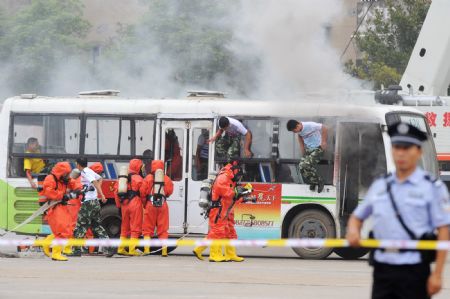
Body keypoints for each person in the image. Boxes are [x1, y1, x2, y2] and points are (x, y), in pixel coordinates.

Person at [346, 122, 450, 299]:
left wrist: (437, 274)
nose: (400, 153)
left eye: (407, 148)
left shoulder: (431, 187)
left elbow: (443, 230)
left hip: (415, 271)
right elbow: (357, 216)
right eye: (396, 147)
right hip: (382, 270)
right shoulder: (380, 186)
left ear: (419, 152)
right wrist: (353, 231)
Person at [193, 162, 247, 262]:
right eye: (239, 176)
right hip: (218, 210)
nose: (239, 179)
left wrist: (243, 195)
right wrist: (238, 193)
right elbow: (227, 193)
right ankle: (213, 255)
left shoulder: (231, 179)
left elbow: (233, 197)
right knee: (217, 232)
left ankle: (230, 254)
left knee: (230, 233)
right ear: (235, 172)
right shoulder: (223, 178)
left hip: (226, 210)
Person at [69, 159, 112, 257]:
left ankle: (76, 250)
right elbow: (100, 178)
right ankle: (110, 247)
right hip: (95, 202)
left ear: (78, 164)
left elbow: (95, 182)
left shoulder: (84, 172)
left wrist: (102, 194)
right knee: (96, 226)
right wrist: (96, 193)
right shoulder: (90, 170)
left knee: (80, 226)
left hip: (88, 203)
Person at [42, 162, 81, 261]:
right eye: (66, 173)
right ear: (61, 172)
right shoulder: (50, 179)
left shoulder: (63, 179)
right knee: (62, 230)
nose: (68, 176)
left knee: (67, 229)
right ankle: (56, 253)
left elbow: (73, 183)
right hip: (54, 207)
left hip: (62, 206)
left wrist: (80, 189)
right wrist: (64, 196)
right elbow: (49, 192)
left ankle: (47, 242)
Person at [140, 160, 174, 256]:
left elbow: (142, 192)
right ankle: (164, 251)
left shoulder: (148, 178)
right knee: (163, 229)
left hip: (150, 204)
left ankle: (146, 250)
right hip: (163, 205)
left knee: (147, 229)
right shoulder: (166, 178)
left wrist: (144, 204)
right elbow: (169, 191)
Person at [286, 119, 328, 193]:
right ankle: (314, 181)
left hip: (318, 149)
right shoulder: (299, 131)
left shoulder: (310, 125)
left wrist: (323, 141)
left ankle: (320, 180)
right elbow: (300, 139)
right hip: (309, 150)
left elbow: (324, 127)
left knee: (305, 165)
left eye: (294, 131)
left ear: (298, 125)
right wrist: (303, 153)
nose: (295, 132)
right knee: (301, 167)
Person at [114, 159, 144, 256]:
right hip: (135, 203)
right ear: (138, 167)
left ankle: (121, 248)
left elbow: (116, 192)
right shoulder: (139, 178)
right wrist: (144, 203)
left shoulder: (122, 178)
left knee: (124, 228)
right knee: (135, 227)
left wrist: (119, 205)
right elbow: (143, 192)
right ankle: (132, 250)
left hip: (124, 205)